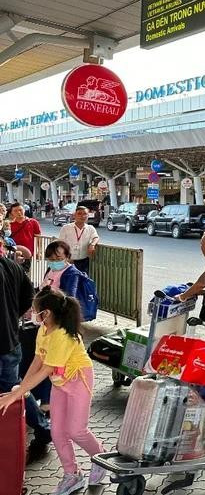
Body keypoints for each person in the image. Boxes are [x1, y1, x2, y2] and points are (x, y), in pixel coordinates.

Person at [0, 288, 106, 493]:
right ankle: (72, 474)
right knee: (57, 432)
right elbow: (38, 361)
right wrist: (20, 389)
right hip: (59, 383)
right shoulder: (44, 329)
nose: (32, 313)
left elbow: (46, 369)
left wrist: (16, 393)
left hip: (78, 380)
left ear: (46, 313)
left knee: (76, 430)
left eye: (35, 310)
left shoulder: (63, 335)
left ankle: (101, 459)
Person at [0, 239, 52, 465]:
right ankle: (42, 429)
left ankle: (41, 430)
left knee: (15, 389)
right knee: (16, 388)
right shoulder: (11, 265)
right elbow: (28, 298)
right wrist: (11, 319)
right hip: (11, 340)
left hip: (5, 344)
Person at [56, 206, 99, 276]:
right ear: (74, 215)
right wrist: (65, 258)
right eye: (79, 214)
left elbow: (96, 237)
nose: (82, 216)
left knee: (82, 282)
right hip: (68, 261)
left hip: (84, 261)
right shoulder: (66, 228)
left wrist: (92, 245)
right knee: (69, 283)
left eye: (85, 214)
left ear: (88, 216)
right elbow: (60, 244)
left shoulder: (90, 228)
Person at [8, 202, 41, 272]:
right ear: (11, 213)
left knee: (26, 273)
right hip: (13, 253)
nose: (19, 212)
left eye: (20, 210)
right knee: (13, 273)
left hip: (27, 253)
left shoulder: (33, 222)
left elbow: (38, 238)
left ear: (24, 210)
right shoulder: (9, 224)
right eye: (15, 211)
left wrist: (39, 251)